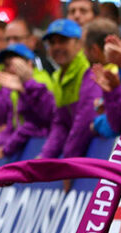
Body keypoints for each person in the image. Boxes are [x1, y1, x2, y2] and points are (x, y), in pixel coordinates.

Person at [0, 44, 56, 162]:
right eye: (5, 65)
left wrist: (6, 149)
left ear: (29, 63)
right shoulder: (15, 89)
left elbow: (34, 124)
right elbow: (12, 126)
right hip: (30, 147)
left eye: (12, 64)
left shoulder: (39, 82)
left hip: (41, 147)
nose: (8, 69)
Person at [37, 18, 102, 160]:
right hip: (83, 155)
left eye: (63, 41)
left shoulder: (89, 71)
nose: (57, 47)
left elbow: (85, 122)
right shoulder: (58, 77)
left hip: (97, 156)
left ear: (79, 43)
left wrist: (69, 161)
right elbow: (61, 124)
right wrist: (45, 157)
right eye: (52, 42)